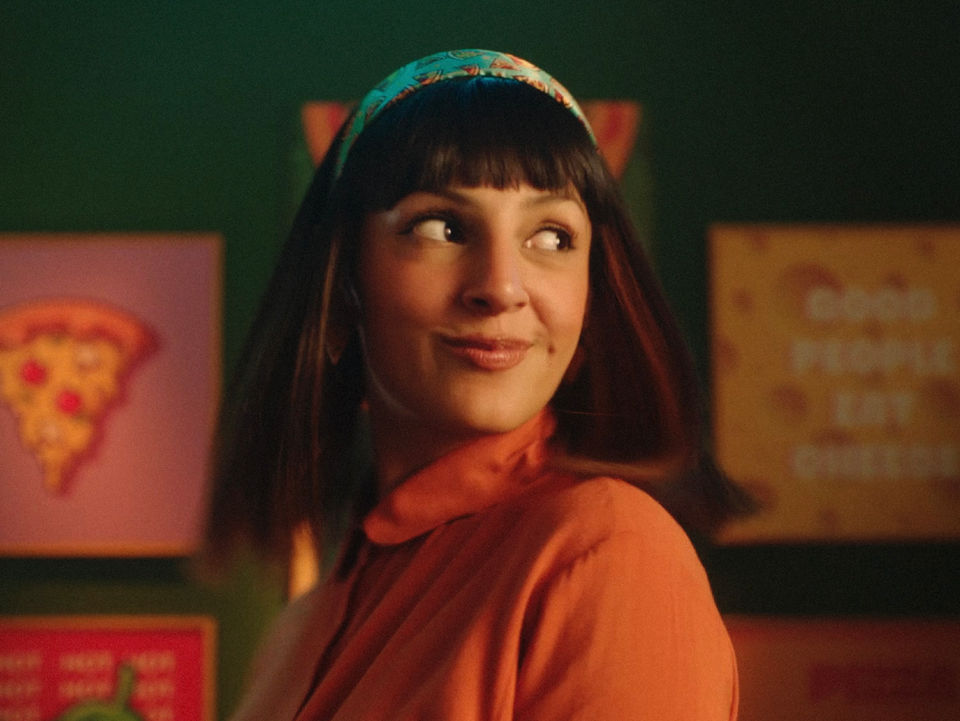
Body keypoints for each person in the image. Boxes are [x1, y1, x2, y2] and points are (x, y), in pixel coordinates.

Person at [204, 49, 747, 720]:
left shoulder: (609, 551)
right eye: (443, 227)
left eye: (552, 236)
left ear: (592, 297)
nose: (500, 286)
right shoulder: (302, 624)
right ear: (343, 283)